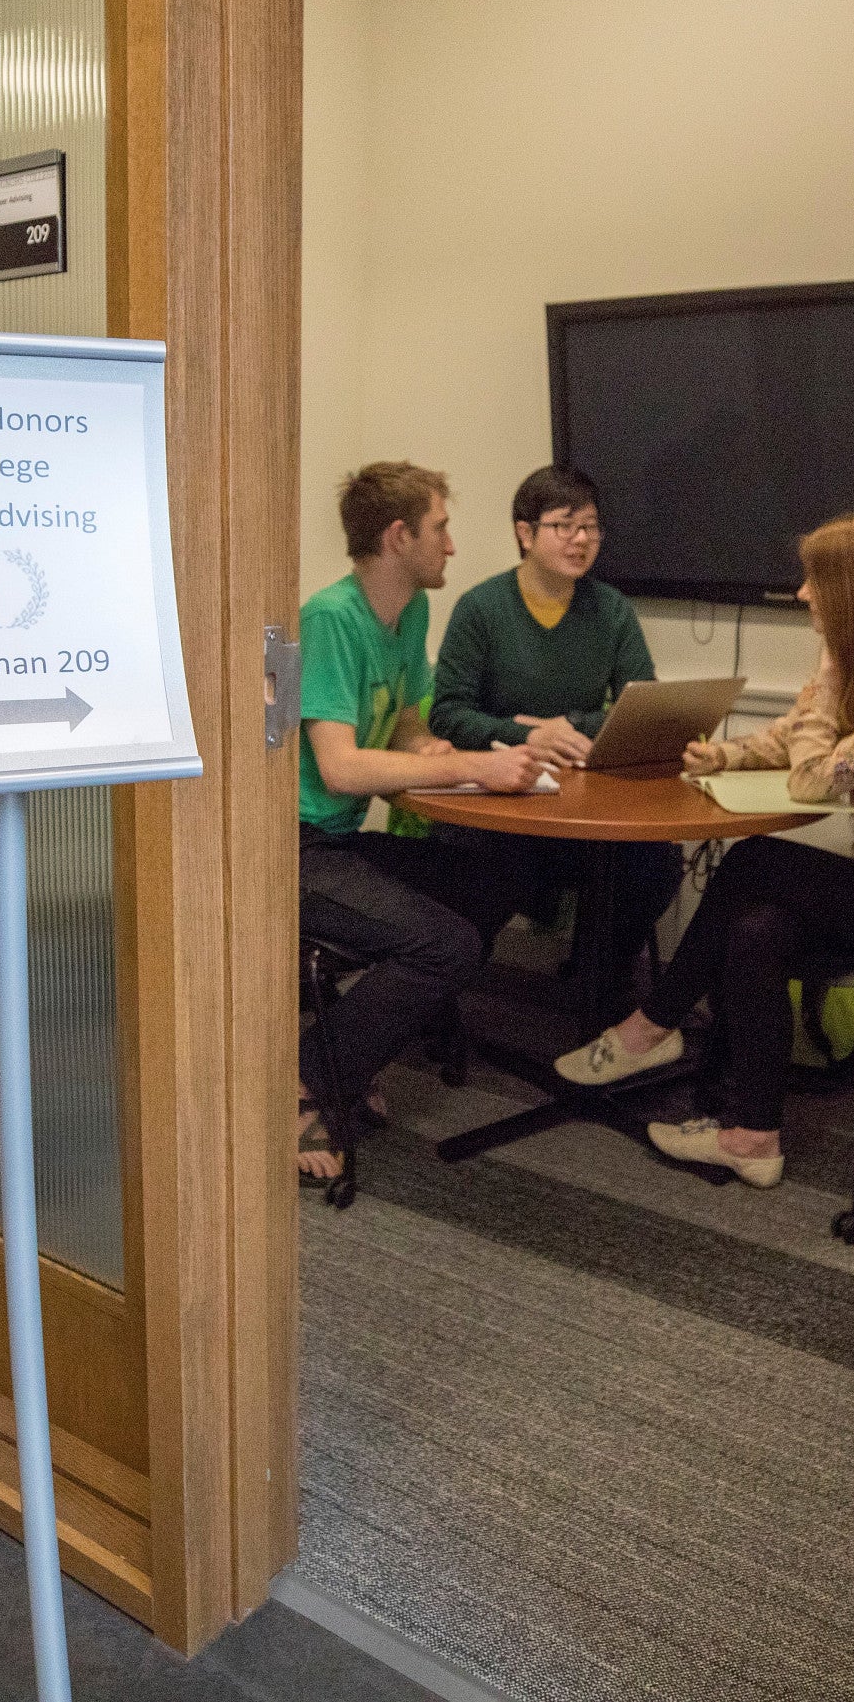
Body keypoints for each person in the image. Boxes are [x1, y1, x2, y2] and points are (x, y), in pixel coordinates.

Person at [554, 508, 854, 1190]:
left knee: (756, 861)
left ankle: (651, 1027)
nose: (802, 595)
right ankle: (752, 1134)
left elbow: (812, 777)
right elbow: (790, 737)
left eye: (814, 581)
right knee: (756, 926)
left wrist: (828, 675)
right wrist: (719, 753)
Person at [298, 461, 542, 1179]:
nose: (452, 545)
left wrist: (434, 746)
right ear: (400, 536)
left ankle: (354, 1046)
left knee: (497, 878)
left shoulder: (409, 611)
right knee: (447, 945)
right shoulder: (332, 619)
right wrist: (467, 767)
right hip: (294, 849)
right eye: (441, 527)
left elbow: (404, 719)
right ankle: (305, 1078)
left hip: (340, 838)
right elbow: (341, 766)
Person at [429, 464, 680, 972]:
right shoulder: (481, 608)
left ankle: (591, 983)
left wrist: (564, 725)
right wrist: (526, 734)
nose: (581, 540)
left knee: (656, 864)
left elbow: (642, 709)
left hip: (581, 802)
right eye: (564, 526)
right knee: (480, 869)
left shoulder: (611, 609)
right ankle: (448, 995)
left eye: (590, 527)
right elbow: (448, 714)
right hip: (498, 801)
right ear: (525, 533)